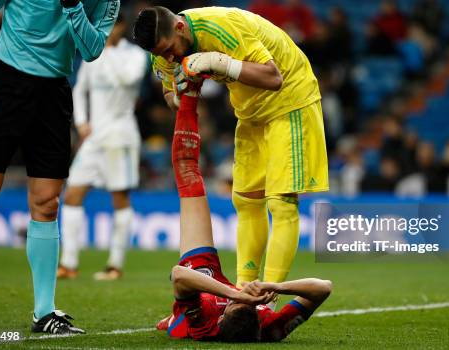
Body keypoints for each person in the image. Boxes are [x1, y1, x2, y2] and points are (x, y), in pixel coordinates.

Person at [133, 5, 329, 297]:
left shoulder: (220, 27)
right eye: (162, 54)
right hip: (249, 111)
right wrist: (181, 93)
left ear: (179, 28)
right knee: (247, 202)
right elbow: (170, 97)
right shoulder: (161, 48)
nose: (169, 57)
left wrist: (217, 61)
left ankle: (267, 298)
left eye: (170, 50)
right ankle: (244, 291)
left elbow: (273, 78)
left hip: (290, 100)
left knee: (281, 203)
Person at [0, 0, 119, 334]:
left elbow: (91, 51)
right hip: (7, 82)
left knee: (47, 203)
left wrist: (74, 7)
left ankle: (44, 313)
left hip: (55, 91)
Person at [157, 79, 332, 342]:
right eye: (252, 306)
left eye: (241, 304)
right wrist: (274, 287)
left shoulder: (204, 324)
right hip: (219, 289)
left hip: (202, 280)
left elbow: (179, 275)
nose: (247, 300)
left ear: (222, 316)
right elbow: (323, 288)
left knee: (187, 171)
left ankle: (189, 96)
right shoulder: (270, 329)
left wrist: (235, 294)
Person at [57, 13, 147, 281]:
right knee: (72, 193)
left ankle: (115, 265)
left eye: (112, 26)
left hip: (120, 136)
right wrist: (82, 122)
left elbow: (128, 80)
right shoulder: (92, 54)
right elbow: (79, 88)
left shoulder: (135, 56)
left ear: (121, 27)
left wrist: (106, 51)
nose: (107, 31)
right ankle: (69, 263)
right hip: (94, 137)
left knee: (119, 198)